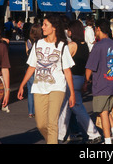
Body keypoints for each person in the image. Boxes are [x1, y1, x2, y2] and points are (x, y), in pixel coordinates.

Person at [17, 15, 75, 144]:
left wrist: (72, 93)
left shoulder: (62, 46)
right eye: (43, 24)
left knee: (52, 123)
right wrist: (22, 85)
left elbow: (67, 71)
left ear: (54, 27)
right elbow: (32, 66)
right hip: (39, 87)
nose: (42, 27)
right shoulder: (38, 44)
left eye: (45, 25)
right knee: (41, 124)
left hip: (57, 87)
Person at [58, 20, 102, 144]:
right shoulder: (84, 45)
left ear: (73, 31)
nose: (68, 32)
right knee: (67, 107)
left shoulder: (71, 46)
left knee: (75, 107)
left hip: (71, 79)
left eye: (69, 30)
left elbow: (63, 64)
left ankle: (93, 134)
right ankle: (60, 134)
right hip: (81, 78)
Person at [83, 19, 113, 144]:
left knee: (103, 112)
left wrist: (86, 81)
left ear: (99, 29)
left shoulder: (98, 46)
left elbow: (90, 67)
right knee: (106, 109)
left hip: (101, 83)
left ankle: (108, 140)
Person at [24, 23, 43, 118]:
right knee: (38, 90)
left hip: (29, 67)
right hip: (38, 68)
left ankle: (31, 111)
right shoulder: (42, 42)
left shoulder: (28, 41)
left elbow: (27, 53)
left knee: (30, 91)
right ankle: (37, 110)